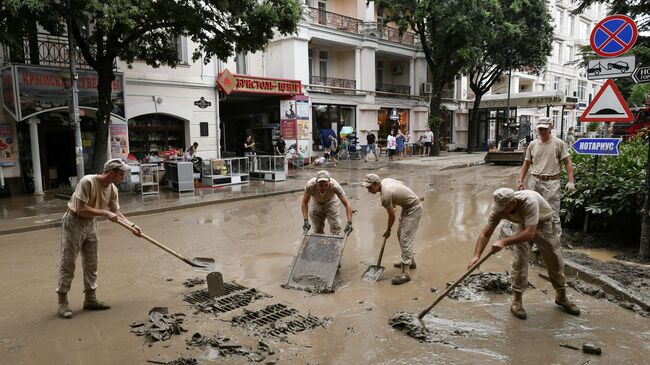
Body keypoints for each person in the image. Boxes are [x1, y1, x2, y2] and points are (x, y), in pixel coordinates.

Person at [468, 188, 580, 320]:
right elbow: (485, 233)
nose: (502, 210)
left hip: (543, 223)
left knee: (554, 260)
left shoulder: (529, 202)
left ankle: (561, 296)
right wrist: (476, 255)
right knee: (520, 261)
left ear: (513, 202)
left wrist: (503, 241)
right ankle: (517, 301)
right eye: (500, 207)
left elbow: (530, 233)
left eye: (505, 207)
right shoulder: (498, 209)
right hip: (521, 224)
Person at [56, 159, 142, 319]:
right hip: (74, 221)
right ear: (112, 172)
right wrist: (105, 213)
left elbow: (117, 213)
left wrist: (132, 226)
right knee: (68, 262)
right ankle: (62, 301)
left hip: (90, 223)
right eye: (121, 173)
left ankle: (90, 299)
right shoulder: (87, 182)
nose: (123, 176)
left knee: (92, 262)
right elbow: (81, 208)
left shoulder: (113, 189)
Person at [518, 117, 574, 237]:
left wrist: (571, 181)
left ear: (550, 128)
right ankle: (537, 240)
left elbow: (568, 162)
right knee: (533, 211)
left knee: (552, 213)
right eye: (540, 129)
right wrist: (520, 181)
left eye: (544, 129)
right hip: (535, 181)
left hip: (551, 182)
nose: (542, 131)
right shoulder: (532, 145)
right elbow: (526, 163)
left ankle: (554, 242)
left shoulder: (558, 143)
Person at [362, 174, 423, 285]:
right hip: (408, 206)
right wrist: (394, 203)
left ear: (376, 184)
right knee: (400, 234)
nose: (369, 190)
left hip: (414, 208)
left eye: (370, 187)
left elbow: (392, 217)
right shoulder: (385, 181)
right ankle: (410, 261)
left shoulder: (385, 196)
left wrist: (388, 229)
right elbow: (400, 185)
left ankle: (405, 272)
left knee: (405, 238)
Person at [301, 170, 353, 236]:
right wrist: (305, 220)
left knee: (335, 227)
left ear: (329, 181)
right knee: (317, 230)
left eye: (326, 185)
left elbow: (347, 203)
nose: (323, 188)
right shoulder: (310, 186)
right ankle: (319, 242)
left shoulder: (335, 186)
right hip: (316, 202)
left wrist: (349, 223)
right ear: (316, 182)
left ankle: (335, 241)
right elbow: (304, 203)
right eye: (321, 185)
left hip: (331, 201)